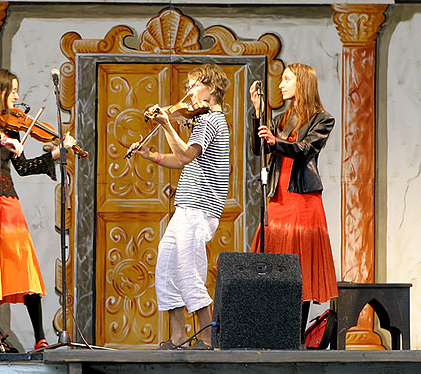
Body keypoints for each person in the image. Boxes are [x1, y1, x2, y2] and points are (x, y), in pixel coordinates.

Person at [0, 68, 76, 353]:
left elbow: (23, 168)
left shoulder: (12, 126)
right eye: (13, 92)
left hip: (7, 197)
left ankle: (40, 337)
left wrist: (56, 154)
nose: (17, 97)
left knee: (23, 259)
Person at [129, 64, 230, 350]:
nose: (188, 92)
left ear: (210, 89)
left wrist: (166, 124)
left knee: (188, 271)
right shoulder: (203, 121)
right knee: (166, 267)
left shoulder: (211, 121)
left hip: (199, 208)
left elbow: (185, 155)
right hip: (187, 206)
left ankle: (208, 339)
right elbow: (181, 160)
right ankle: (176, 338)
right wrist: (150, 155)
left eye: (194, 85)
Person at [249, 63, 338, 342]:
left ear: (302, 83)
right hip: (278, 198)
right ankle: (274, 333)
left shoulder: (322, 119)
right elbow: (258, 148)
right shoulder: (281, 118)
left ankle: (295, 336)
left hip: (302, 200)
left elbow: (304, 149)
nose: (281, 84)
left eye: (286, 79)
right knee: (273, 266)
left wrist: (275, 142)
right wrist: (259, 114)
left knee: (299, 269)